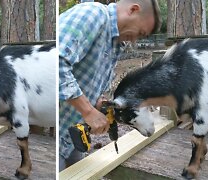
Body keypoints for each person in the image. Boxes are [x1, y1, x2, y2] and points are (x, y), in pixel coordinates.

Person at [59, 0, 162, 171]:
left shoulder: (115, 44)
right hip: (58, 139)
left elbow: (85, 80)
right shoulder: (93, 14)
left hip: (72, 137)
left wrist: (97, 102)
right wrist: (88, 111)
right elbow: (57, 63)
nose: (135, 40)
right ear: (133, 10)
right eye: (140, 32)